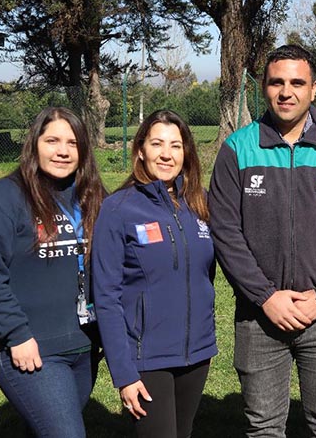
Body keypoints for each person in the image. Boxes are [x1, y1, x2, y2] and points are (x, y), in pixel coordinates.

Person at [208, 44, 316, 437]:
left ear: (314, 89)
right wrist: (265, 297)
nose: (286, 92)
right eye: (276, 82)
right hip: (259, 317)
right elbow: (226, 232)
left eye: (297, 83)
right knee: (263, 428)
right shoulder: (237, 149)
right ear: (263, 87)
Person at [0, 107, 106, 437]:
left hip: (84, 346)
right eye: (52, 141)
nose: (63, 151)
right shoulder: (4, 197)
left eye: (72, 143)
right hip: (31, 348)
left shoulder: (93, 196)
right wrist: (16, 334)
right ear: (34, 144)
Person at [92, 110, 217, 437]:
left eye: (175, 145)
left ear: (186, 152)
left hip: (197, 354)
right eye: (157, 144)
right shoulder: (118, 209)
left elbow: (205, 275)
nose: (166, 154)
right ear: (140, 150)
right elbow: (106, 296)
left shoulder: (199, 203)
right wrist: (124, 373)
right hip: (146, 358)